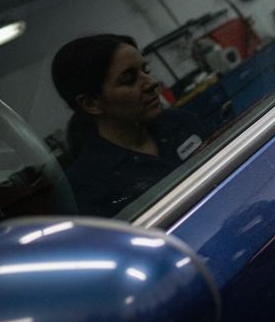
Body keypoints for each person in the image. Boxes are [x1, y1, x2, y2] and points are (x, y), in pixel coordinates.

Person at [51, 34, 206, 217]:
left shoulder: (181, 123)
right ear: (91, 103)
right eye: (128, 79)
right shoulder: (83, 188)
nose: (152, 83)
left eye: (146, 70)